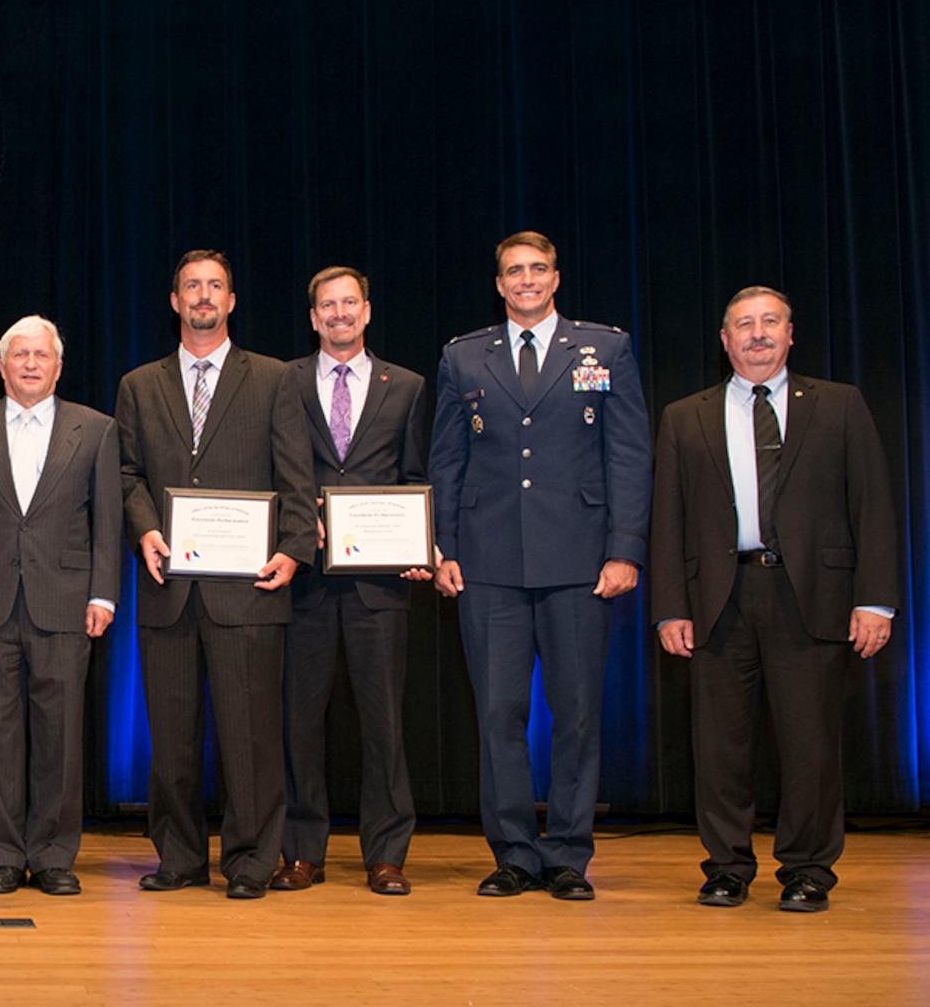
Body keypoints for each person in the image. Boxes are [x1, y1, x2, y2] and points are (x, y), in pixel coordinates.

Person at [650, 286, 897, 913]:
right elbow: (668, 518)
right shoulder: (686, 416)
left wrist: (876, 600)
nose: (756, 334)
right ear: (725, 340)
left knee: (812, 744)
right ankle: (727, 867)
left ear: (791, 334)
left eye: (769, 323)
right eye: (743, 325)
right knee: (718, 746)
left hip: (812, 594)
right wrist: (670, 605)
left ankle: (809, 868)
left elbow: (872, 506)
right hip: (718, 598)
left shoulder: (840, 406)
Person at [429, 230, 651, 901]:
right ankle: (515, 854)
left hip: (579, 559)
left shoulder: (604, 347)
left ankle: (568, 857)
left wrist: (625, 548)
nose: (526, 280)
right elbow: (445, 458)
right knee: (498, 713)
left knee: (577, 712)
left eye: (538, 269)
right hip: (488, 561)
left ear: (556, 278)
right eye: (513, 271)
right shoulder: (465, 358)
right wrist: (443, 547)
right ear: (498, 284)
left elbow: (629, 454)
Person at [116, 249, 318, 900]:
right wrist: (145, 527)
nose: (203, 296)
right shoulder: (138, 385)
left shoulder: (274, 379)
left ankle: (253, 859)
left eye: (215, 286)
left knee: (251, 737)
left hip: (251, 587)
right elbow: (126, 475)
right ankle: (178, 856)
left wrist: (293, 548)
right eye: (191, 287)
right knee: (171, 740)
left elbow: (295, 474)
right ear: (175, 301)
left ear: (231, 301)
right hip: (168, 588)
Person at [0, 315, 122, 896]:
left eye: (41, 355)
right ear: (2, 365)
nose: (30, 364)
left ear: (58, 366)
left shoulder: (95, 429)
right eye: (20, 354)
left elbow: (108, 520)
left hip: (66, 603)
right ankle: (0, 853)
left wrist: (103, 592)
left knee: (61, 735)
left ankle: (51, 855)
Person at [274, 267, 431, 897]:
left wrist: (421, 542)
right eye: (326, 306)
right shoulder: (281, 381)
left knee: (384, 723)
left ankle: (386, 855)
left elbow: (417, 475)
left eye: (349, 304)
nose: (338, 314)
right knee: (297, 723)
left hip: (379, 584)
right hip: (303, 580)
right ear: (313, 317)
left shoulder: (409, 387)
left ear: (366, 312)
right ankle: (301, 851)